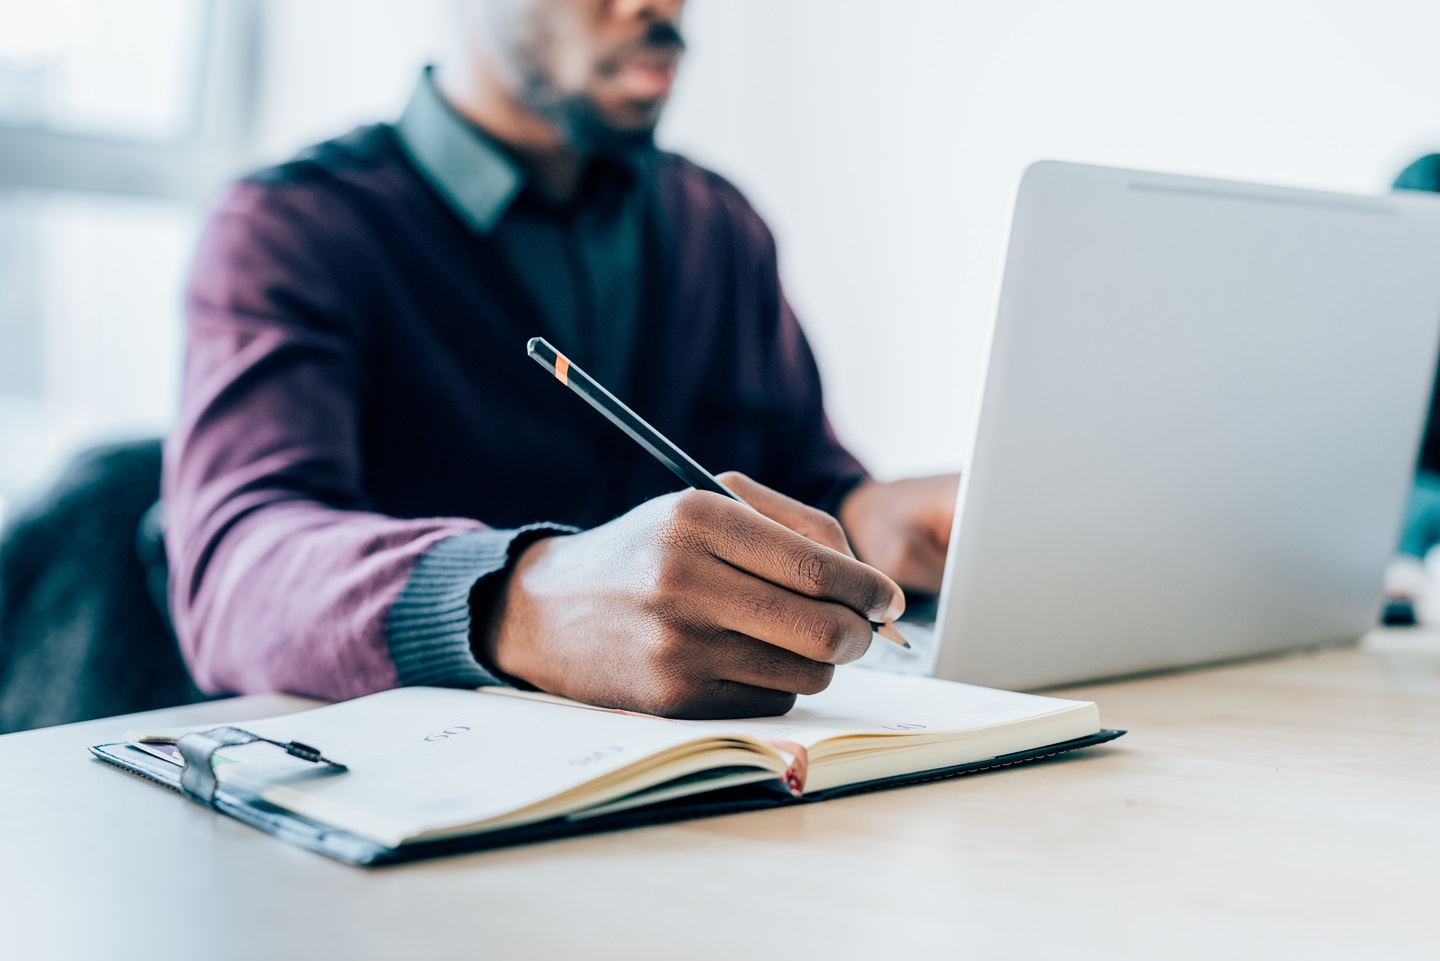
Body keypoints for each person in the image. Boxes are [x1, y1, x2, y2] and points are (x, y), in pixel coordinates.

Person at [164, 0, 958, 719]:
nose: (658, 7)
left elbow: (802, 482)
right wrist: (521, 604)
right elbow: (236, 568)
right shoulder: (291, 229)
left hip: (721, 804)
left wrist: (885, 524)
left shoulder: (720, 224)